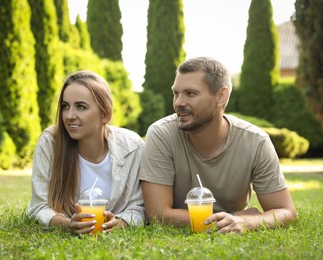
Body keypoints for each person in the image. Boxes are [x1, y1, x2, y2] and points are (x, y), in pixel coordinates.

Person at [139, 56, 297, 234]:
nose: (178, 103)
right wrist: (235, 217)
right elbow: (157, 215)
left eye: (190, 93)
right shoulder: (161, 134)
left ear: (221, 96)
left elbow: (286, 211)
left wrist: (248, 223)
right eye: (176, 93)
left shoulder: (255, 141)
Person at [28, 70, 145, 235]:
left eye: (81, 107)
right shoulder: (50, 143)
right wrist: (66, 224)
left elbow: (139, 207)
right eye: (65, 106)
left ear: (105, 115)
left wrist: (120, 223)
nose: (69, 116)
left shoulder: (132, 146)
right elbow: (38, 207)